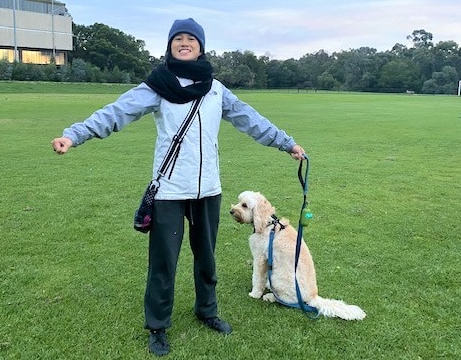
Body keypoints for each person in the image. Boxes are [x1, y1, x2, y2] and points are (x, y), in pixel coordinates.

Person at [51, 18, 306, 357]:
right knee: (163, 262)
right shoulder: (158, 85)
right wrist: (74, 135)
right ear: (170, 45)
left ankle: (208, 311)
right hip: (169, 191)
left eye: (191, 39)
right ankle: (157, 326)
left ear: (201, 47)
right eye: (178, 39)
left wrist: (285, 142)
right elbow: (117, 112)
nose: (184, 43)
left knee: (207, 257)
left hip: (208, 190)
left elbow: (250, 118)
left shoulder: (215, 90)